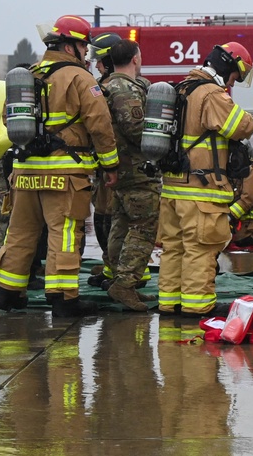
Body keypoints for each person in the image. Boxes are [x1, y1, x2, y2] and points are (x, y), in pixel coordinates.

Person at [0, 14, 119, 317]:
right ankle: (64, 299)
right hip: (64, 176)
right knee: (64, 233)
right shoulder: (80, 79)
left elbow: (7, 119)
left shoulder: (30, 75)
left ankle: (8, 293)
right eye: (84, 47)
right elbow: (100, 124)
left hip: (24, 174)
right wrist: (110, 165)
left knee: (21, 233)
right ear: (71, 45)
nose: (86, 54)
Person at [156, 42, 253, 318]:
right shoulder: (211, 94)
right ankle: (196, 306)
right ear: (227, 66)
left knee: (174, 248)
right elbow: (242, 126)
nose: (234, 81)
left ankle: (170, 303)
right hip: (201, 191)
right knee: (200, 249)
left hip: (173, 189)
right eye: (236, 75)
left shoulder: (181, 89)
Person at [101, 39, 162, 312]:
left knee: (122, 223)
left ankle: (118, 278)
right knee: (144, 226)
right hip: (136, 169)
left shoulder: (105, 85)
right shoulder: (124, 89)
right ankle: (125, 284)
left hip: (117, 168)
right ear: (135, 59)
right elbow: (135, 129)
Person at [86, 31, 123, 289]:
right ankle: (111, 269)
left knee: (112, 221)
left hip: (116, 168)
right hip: (102, 168)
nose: (96, 64)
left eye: (100, 60)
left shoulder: (114, 89)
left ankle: (120, 273)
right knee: (102, 218)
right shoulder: (101, 86)